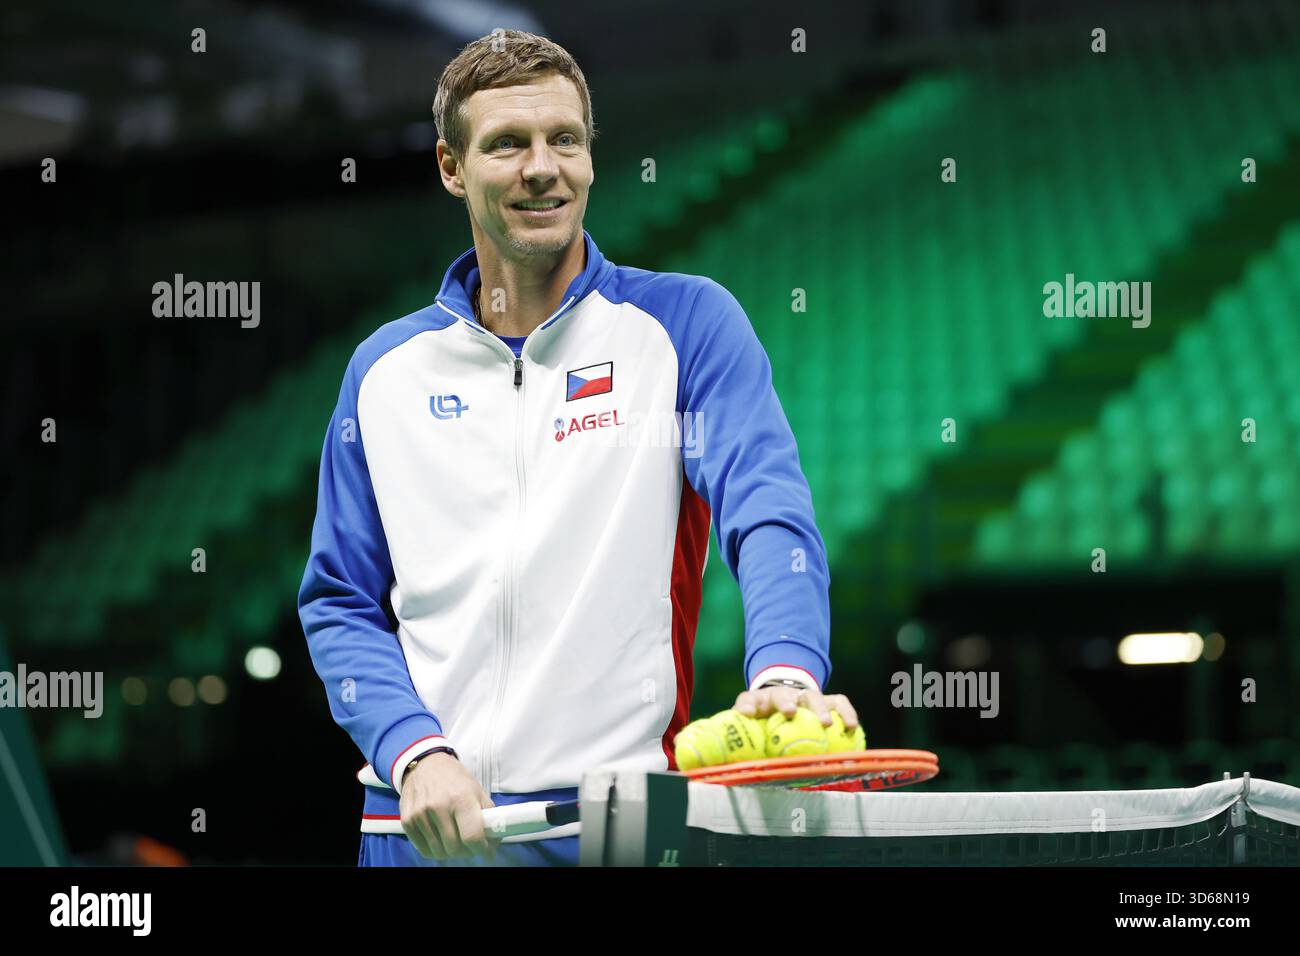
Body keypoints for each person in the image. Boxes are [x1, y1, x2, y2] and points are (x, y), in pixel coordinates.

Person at [297, 29, 858, 867]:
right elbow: (339, 599)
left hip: (613, 827)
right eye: (507, 144)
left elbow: (766, 510)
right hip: (423, 830)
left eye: (564, 139)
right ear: (452, 168)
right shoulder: (382, 371)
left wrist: (785, 670)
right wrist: (413, 749)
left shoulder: (686, 327)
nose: (541, 167)